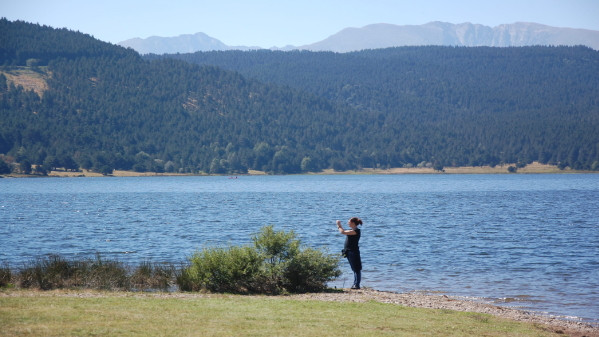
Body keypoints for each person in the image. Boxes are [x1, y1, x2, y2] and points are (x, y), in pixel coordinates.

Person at [336, 217, 363, 289]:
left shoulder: (356, 231)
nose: (348, 223)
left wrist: (339, 225)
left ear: (353, 223)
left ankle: (357, 285)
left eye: (349, 222)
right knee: (354, 268)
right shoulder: (352, 230)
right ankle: (355, 283)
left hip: (353, 251)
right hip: (349, 251)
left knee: (356, 268)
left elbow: (342, 232)